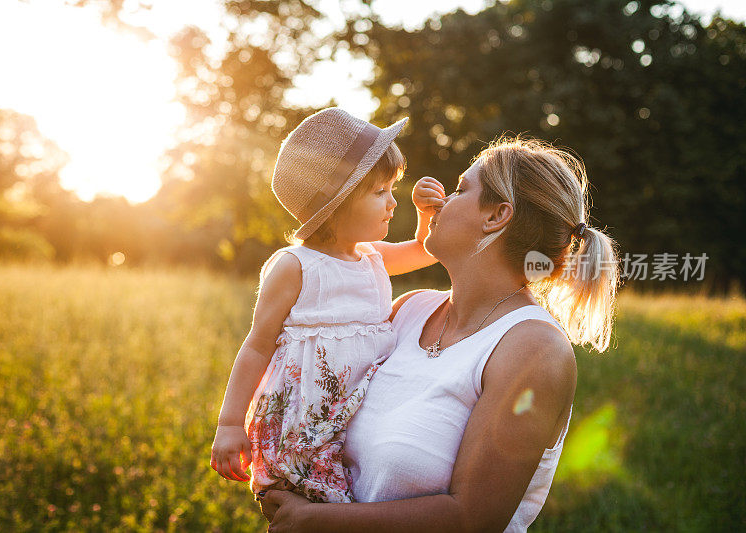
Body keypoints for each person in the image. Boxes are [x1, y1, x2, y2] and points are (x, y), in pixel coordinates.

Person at [259, 137, 620, 532]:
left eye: (462, 189)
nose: (442, 200)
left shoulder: (534, 349)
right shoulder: (408, 310)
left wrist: (316, 520)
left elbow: (471, 519)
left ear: (496, 216)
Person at [210, 107, 446, 503]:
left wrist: (426, 216)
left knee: (363, 500)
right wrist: (230, 422)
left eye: (392, 190)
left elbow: (426, 250)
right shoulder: (296, 266)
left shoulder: (371, 256)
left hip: (364, 410)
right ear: (337, 204)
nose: (392, 203)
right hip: (307, 425)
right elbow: (257, 344)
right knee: (316, 507)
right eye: (379, 192)